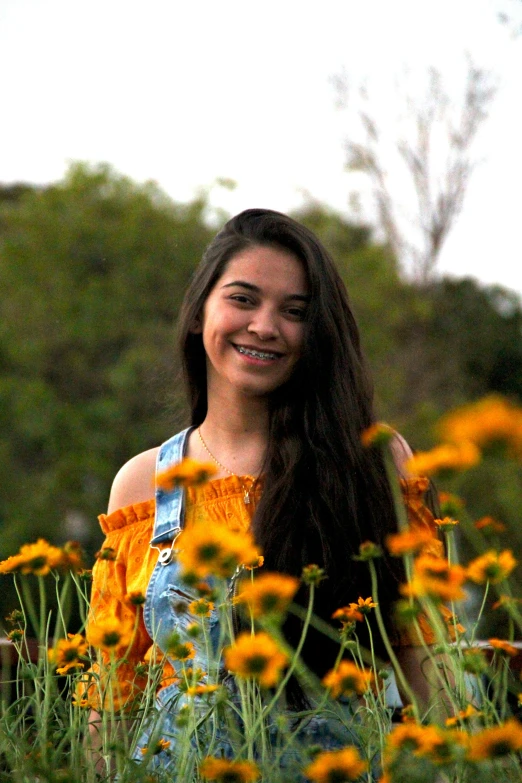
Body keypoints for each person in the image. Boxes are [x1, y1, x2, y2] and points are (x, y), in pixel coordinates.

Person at [85, 209, 443, 774]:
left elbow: (422, 656)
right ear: (202, 308)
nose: (264, 326)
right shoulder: (142, 481)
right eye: (243, 299)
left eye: (295, 311)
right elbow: (112, 691)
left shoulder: (374, 459)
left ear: (318, 331)